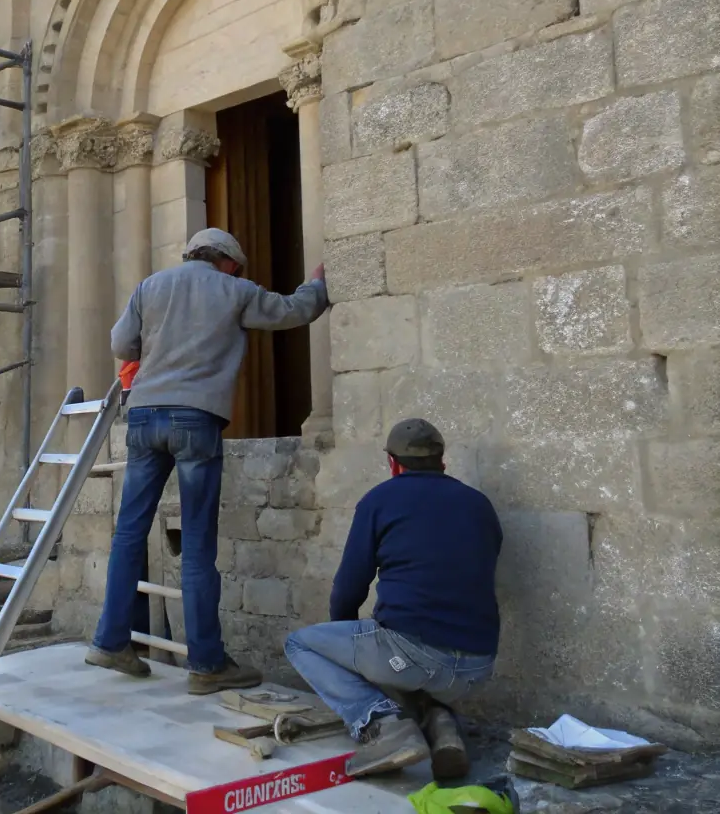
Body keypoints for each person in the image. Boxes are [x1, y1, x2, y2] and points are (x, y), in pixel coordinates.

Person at [87, 228, 329, 695]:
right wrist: (317, 284)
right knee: (197, 543)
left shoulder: (151, 285)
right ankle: (206, 663)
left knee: (129, 531)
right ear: (230, 264)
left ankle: (110, 641)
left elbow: (122, 345)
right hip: (195, 417)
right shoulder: (234, 289)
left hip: (144, 415)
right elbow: (294, 311)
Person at [284, 419, 502, 780]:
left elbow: (348, 589)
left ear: (393, 464)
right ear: (441, 461)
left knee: (300, 644)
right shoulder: (479, 505)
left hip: (414, 656)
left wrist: (349, 641)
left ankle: (383, 725)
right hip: (477, 668)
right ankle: (442, 723)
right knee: (406, 651)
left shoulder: (380, 500)